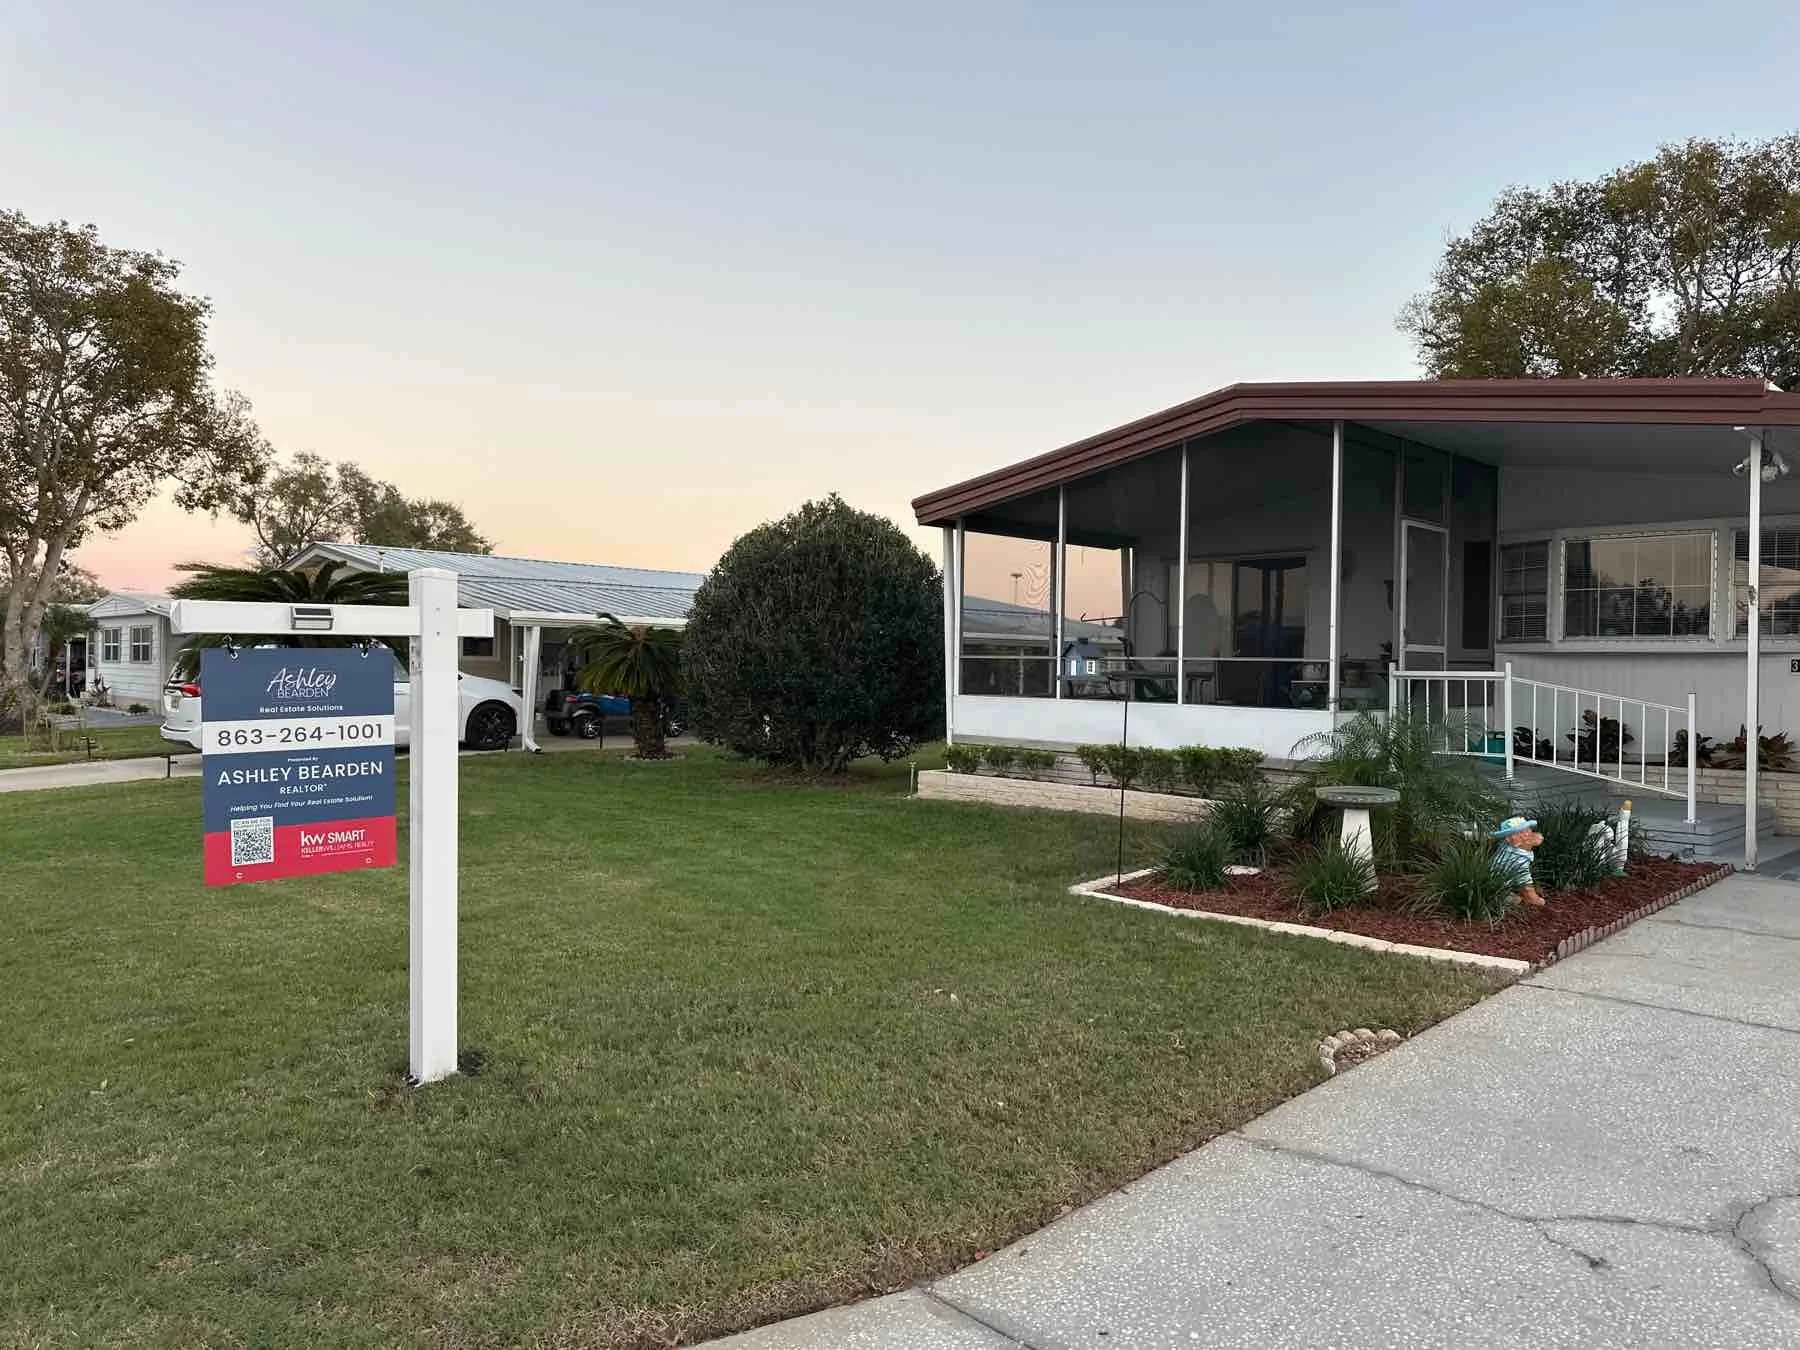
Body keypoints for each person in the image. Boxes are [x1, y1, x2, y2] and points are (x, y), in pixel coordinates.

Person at [1492, 815, 1546, 908]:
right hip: (1496, 887)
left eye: (1528, 829)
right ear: (1511, 839)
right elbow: (1524, 881)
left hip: (1505, 882)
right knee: (1516, 900)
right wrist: (1533, 898)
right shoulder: (1518, 859)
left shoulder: (1509, 848)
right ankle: (1498, 898)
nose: (1529, 833)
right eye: (1523, 832)